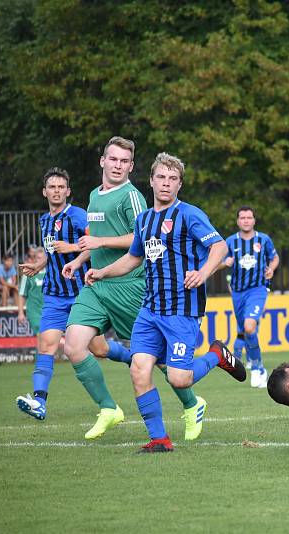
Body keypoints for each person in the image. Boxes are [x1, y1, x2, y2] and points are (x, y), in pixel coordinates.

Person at [85, 152, 246, 453]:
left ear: (179, 185)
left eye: (173, 179)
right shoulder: (144, 220)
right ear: (151, 180)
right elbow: (134, 258)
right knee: (139, 369)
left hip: (182, 310)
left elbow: (220, 246)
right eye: (161, 177)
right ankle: (159, 439)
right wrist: (102, 272)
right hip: (150, 309)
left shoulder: (189, 215)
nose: (166, 183)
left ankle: (216, 355)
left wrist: (203, 272)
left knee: (179, 378)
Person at [61, 136, 206, 441]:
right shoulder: (94, 196)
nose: (118, 166)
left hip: (130, 287)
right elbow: (98, 236)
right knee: (76, 344)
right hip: (99, 283)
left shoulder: (132, 197)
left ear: (132, 167)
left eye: (125, 161)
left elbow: (137, 239)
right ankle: (108, 408)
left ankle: (192, 404)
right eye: (113, 159)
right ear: (102, 161)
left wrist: (99, 244)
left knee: (164, 361)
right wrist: (81, 259)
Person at [15, 167, 97, 423]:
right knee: (46, 345)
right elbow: (52, 253)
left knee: (101, 349)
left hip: (80, 294)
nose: (57, 191)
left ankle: (137, 359)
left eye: (61, 187)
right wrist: (39, 266)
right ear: (45, 191)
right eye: (52, 187)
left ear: (68, 191)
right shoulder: (44, 221)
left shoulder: (77, 216)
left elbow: (96, 245)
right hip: (53, 294)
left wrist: (72, 247)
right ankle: (39, 402)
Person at [216, 206, 279, 388]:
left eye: (249, 217)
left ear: (254, 220)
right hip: (237, 292)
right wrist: (223, 263)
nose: (246, 220)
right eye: (242, 217)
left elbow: (274, 258)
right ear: (238, 221)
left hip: (258, 289)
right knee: (244, 329)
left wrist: (271, 269)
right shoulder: (230, 242)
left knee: (250, 326)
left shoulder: (263, 240)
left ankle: (258, 367)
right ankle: (250, 360)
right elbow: (215, 263)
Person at [17, 247, 46, 335]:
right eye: (37, 258)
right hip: (34, 312)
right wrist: (21, 313)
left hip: (49, 310)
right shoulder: (28, 274)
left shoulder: (50, 273)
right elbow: (22, 294)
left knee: (47, 340)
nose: (39, 261)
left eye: (41, 258)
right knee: (41, 335)